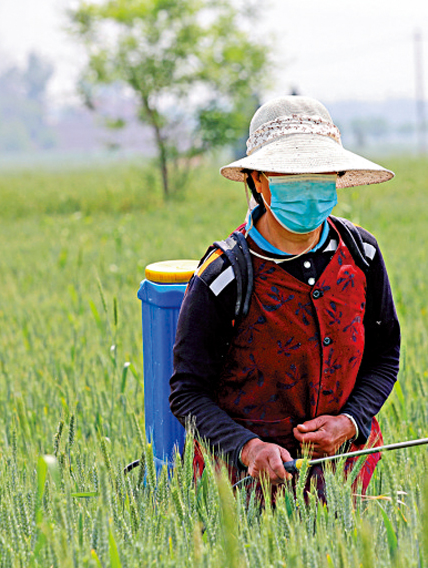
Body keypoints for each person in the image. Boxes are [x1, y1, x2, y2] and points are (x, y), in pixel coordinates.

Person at [169, 95, 401, 496]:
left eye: (320, 177)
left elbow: (384, 356)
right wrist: (248, 447)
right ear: (257, 181)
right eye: (293, 178)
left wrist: (351, 422)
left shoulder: (361, 254)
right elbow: (188, 393)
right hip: (245, 488)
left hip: (347, 477)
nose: (308, 192)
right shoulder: (226, 274)